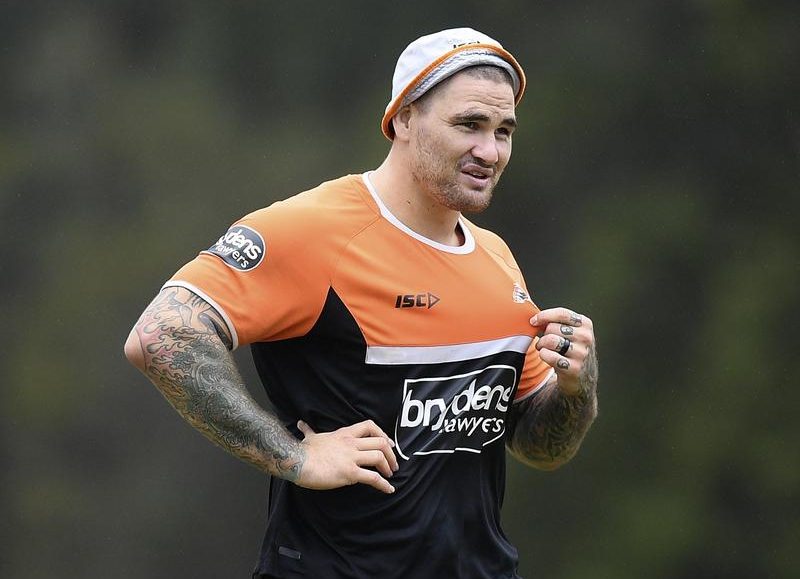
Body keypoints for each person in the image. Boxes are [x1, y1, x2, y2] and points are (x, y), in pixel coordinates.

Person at [124, 27, 598, 579]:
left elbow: (539, 447)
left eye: (504, 131)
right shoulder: (315, 230)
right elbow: (161, 335)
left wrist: (576, 385)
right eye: (469, 124)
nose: (489, 151)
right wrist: (295, 456)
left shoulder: (495, 257)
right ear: (403, 119)